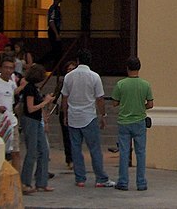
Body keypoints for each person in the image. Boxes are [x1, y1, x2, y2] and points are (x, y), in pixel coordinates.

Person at [60, 49, 115, 188]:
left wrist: (65, 114)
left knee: (76, 148)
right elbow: (100, 99)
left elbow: (64, 98)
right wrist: (103, 115)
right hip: (89, 116)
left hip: (73, 116)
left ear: (78, 61)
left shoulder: (69, 77)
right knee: (95, 148)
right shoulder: (94, 76)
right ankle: (101, 178)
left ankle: (80, 178)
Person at [111, 56, 154, 192]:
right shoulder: (145, 84)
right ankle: (141, 183)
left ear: (127, 68)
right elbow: (150, 104)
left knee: (124, 152)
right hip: (139, 121)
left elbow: (114, 102)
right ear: (139, 68)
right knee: (141, 153)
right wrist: (141, 107)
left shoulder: (121, 84)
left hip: (124, 121)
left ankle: (123, 181)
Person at [19, 63, 55, 195]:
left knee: (44, 151)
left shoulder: (34, 88)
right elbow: (30, 108)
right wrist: (45, 102)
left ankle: (41, 182)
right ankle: (25, 182)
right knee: (32, 152)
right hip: (31, 121)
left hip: (36, 121)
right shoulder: (29, 89)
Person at [0, 55, 23, 171]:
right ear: (0, 68)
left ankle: (16, 182)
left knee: (15, 152)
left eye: (11, 68)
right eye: (5, 67)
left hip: (11, 123)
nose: (8, 70)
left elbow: (11, 102)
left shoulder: (11, 84)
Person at [46, 0, 63, 64]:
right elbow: (51, 21)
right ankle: (41, 62)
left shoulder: (57, 8)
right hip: (54, 31)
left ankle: (56, 67)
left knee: (57, 51)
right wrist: (56, 34)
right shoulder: (54, 8)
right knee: (56, 50)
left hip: (56, 30)